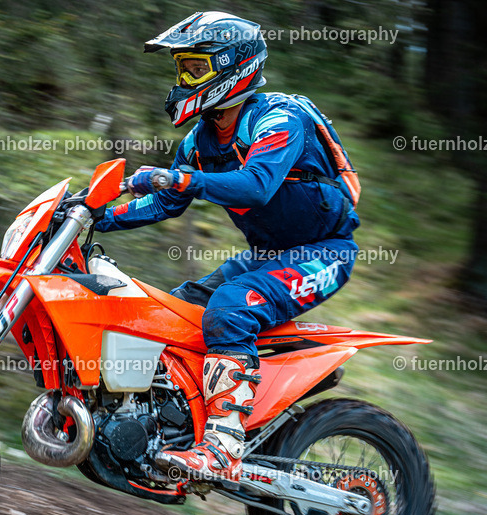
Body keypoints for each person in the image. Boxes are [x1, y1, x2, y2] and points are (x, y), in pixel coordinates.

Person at [93, 11, 360, 488]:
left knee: (230, 310)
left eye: (193, 69)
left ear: (233, 66)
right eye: (181, 70)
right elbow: (165, 202)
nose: (183, 79)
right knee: (164, 313)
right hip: (266, 254)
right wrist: (95, 218)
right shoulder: (200, 140)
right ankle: (140, 435)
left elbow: (256, 186)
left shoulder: (280, 117)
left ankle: (223, 446)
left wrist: (184, 178)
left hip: (323, 252)